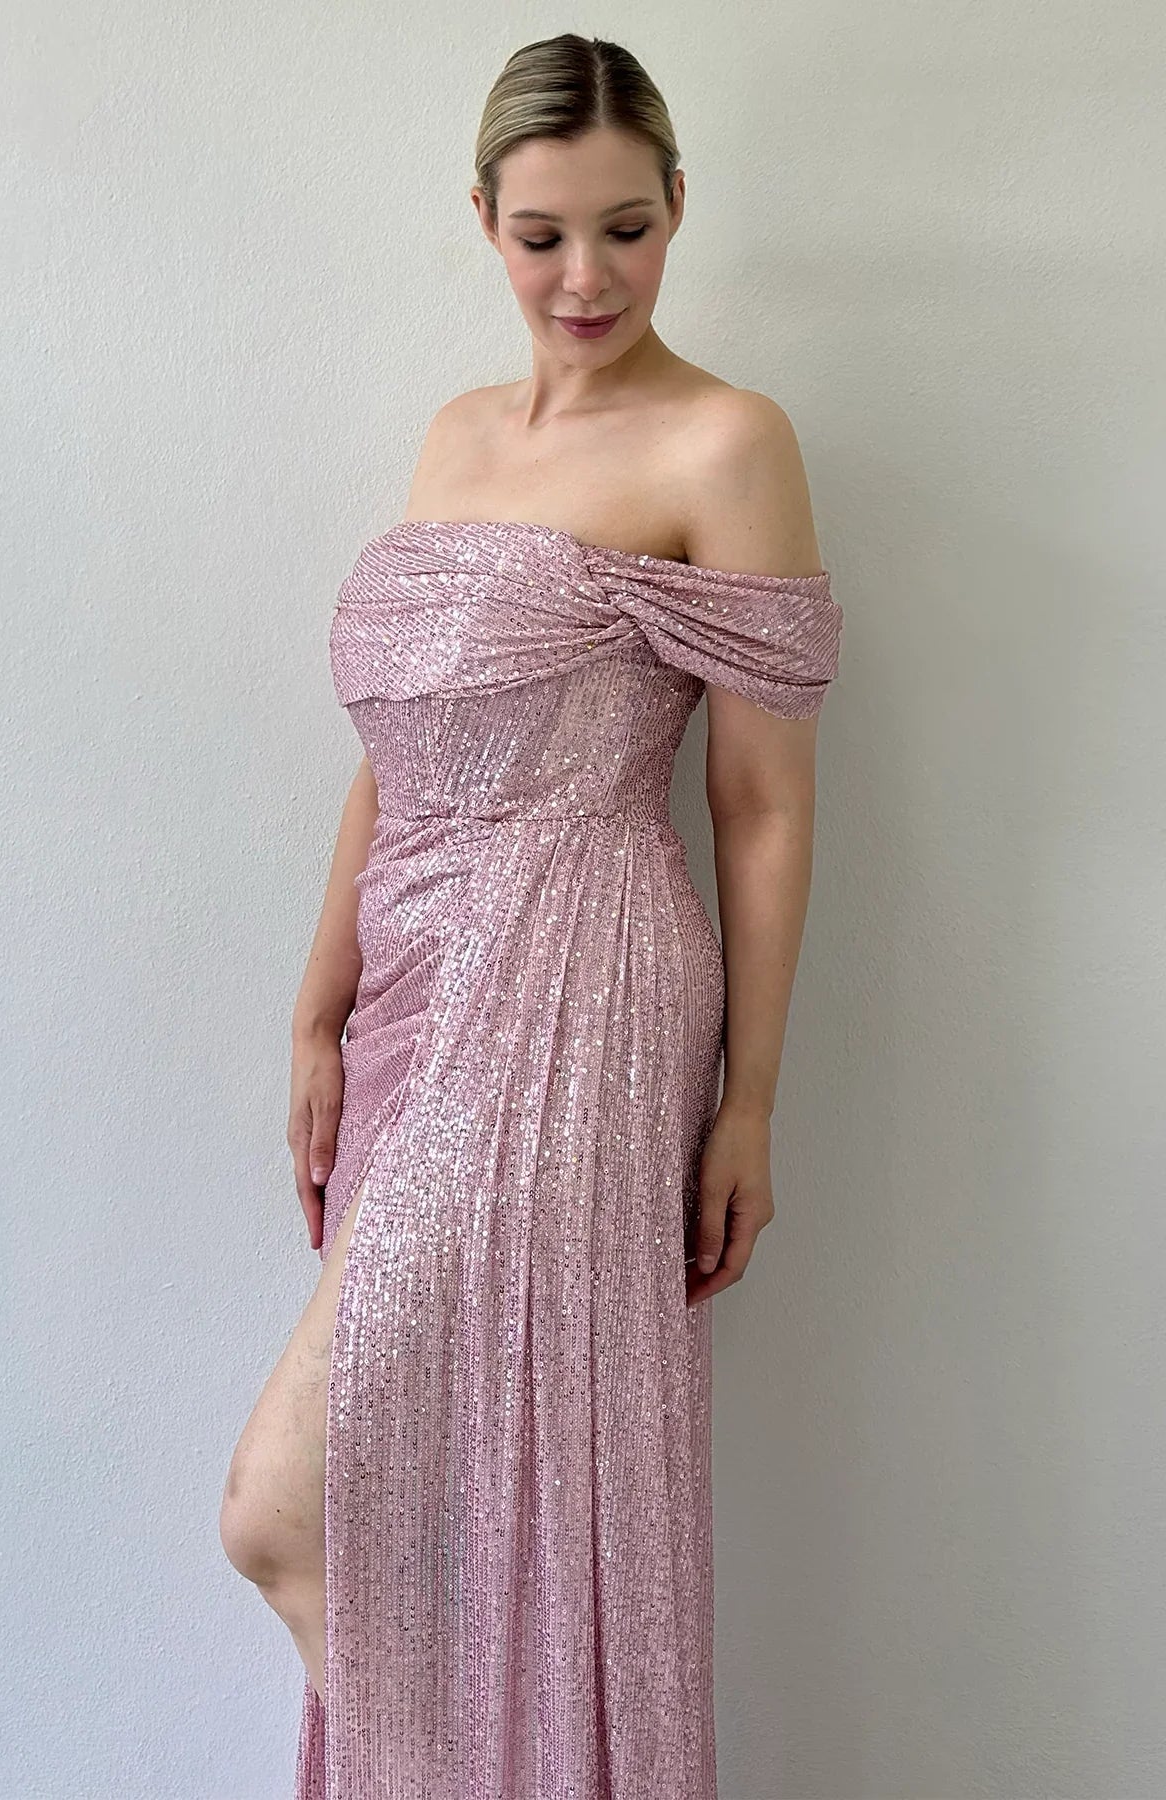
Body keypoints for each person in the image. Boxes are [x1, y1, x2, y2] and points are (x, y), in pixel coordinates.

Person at [218, 31, 844, 1800]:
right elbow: (399, 755)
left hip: (579, 983)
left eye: (628, 230)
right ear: (484, 219)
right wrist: (319, 1008)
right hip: (416, 984)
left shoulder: (729, 442)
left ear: (678, 211)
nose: (588, 279)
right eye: (544, 234)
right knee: (409, 1504)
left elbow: (762, 805)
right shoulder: (455, 435)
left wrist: (748, 1099)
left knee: (282, 1511)